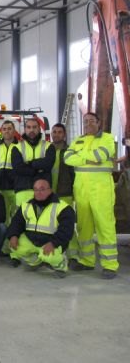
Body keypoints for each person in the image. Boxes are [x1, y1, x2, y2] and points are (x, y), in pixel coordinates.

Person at [64, 112, 118, 279]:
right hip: (81, 190)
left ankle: (110, 265)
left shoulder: (107, 139)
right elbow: (67, 158)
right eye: (85, 121)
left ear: (99, 122)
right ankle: (87, 261)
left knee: (105, 226)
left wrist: (80, 157)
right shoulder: (78, 140)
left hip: (101, 190)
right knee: (83, 227)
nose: (87, 124)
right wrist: (89, 159)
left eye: (91, 121)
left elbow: (100, 155)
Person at [6, 178, 75, 278]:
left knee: (50, 256)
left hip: (51, 242)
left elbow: (67, 230)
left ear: (50, 190)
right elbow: (16, 223)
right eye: (36, 189)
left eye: (42, 189)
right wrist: (13, 235)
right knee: (14, 247)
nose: (39, 192)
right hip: (33, 240)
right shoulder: (26, 205)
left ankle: (61, 265)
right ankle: (36, 263)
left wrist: (53, 243)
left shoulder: (63, 208)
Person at [11, 118, 56, 207]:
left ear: (39, 129)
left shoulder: (49, 146)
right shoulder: (17, 148)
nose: (31, 130)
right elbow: (18, 168)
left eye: (34, 127)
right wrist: (38, 170)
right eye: (29, 127)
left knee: (43, 220)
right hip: (23, 191)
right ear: (25, 130)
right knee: (23, 220)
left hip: (44, 192)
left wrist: (29, 163)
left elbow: (48, 165)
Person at [50, 123, 75, 204]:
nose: (56, 134)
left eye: (60, 132)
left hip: (65, 193)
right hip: (48, 194)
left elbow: (74, 174)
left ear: (64, 135)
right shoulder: (46, 150)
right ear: (51, 134)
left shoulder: (70, 151)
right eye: (54, 132)